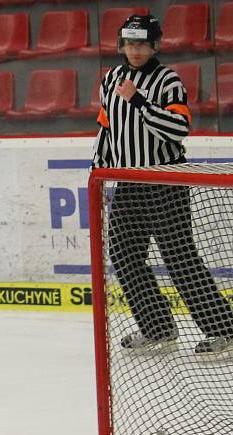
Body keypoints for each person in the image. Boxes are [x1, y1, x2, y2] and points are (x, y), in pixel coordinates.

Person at [93, 14, 233, 356]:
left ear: (154, 45)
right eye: (129, 43)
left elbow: (177, 128)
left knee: (179, 257)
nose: (135, 50)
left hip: (165, 179)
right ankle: (158, 328)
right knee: (124, 256)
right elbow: (106, 129)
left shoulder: (168, 80)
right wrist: (97, 172)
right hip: (128, 182)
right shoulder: (111, 79)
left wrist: (140, 101)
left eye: (141, 43)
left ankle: (224, 330)